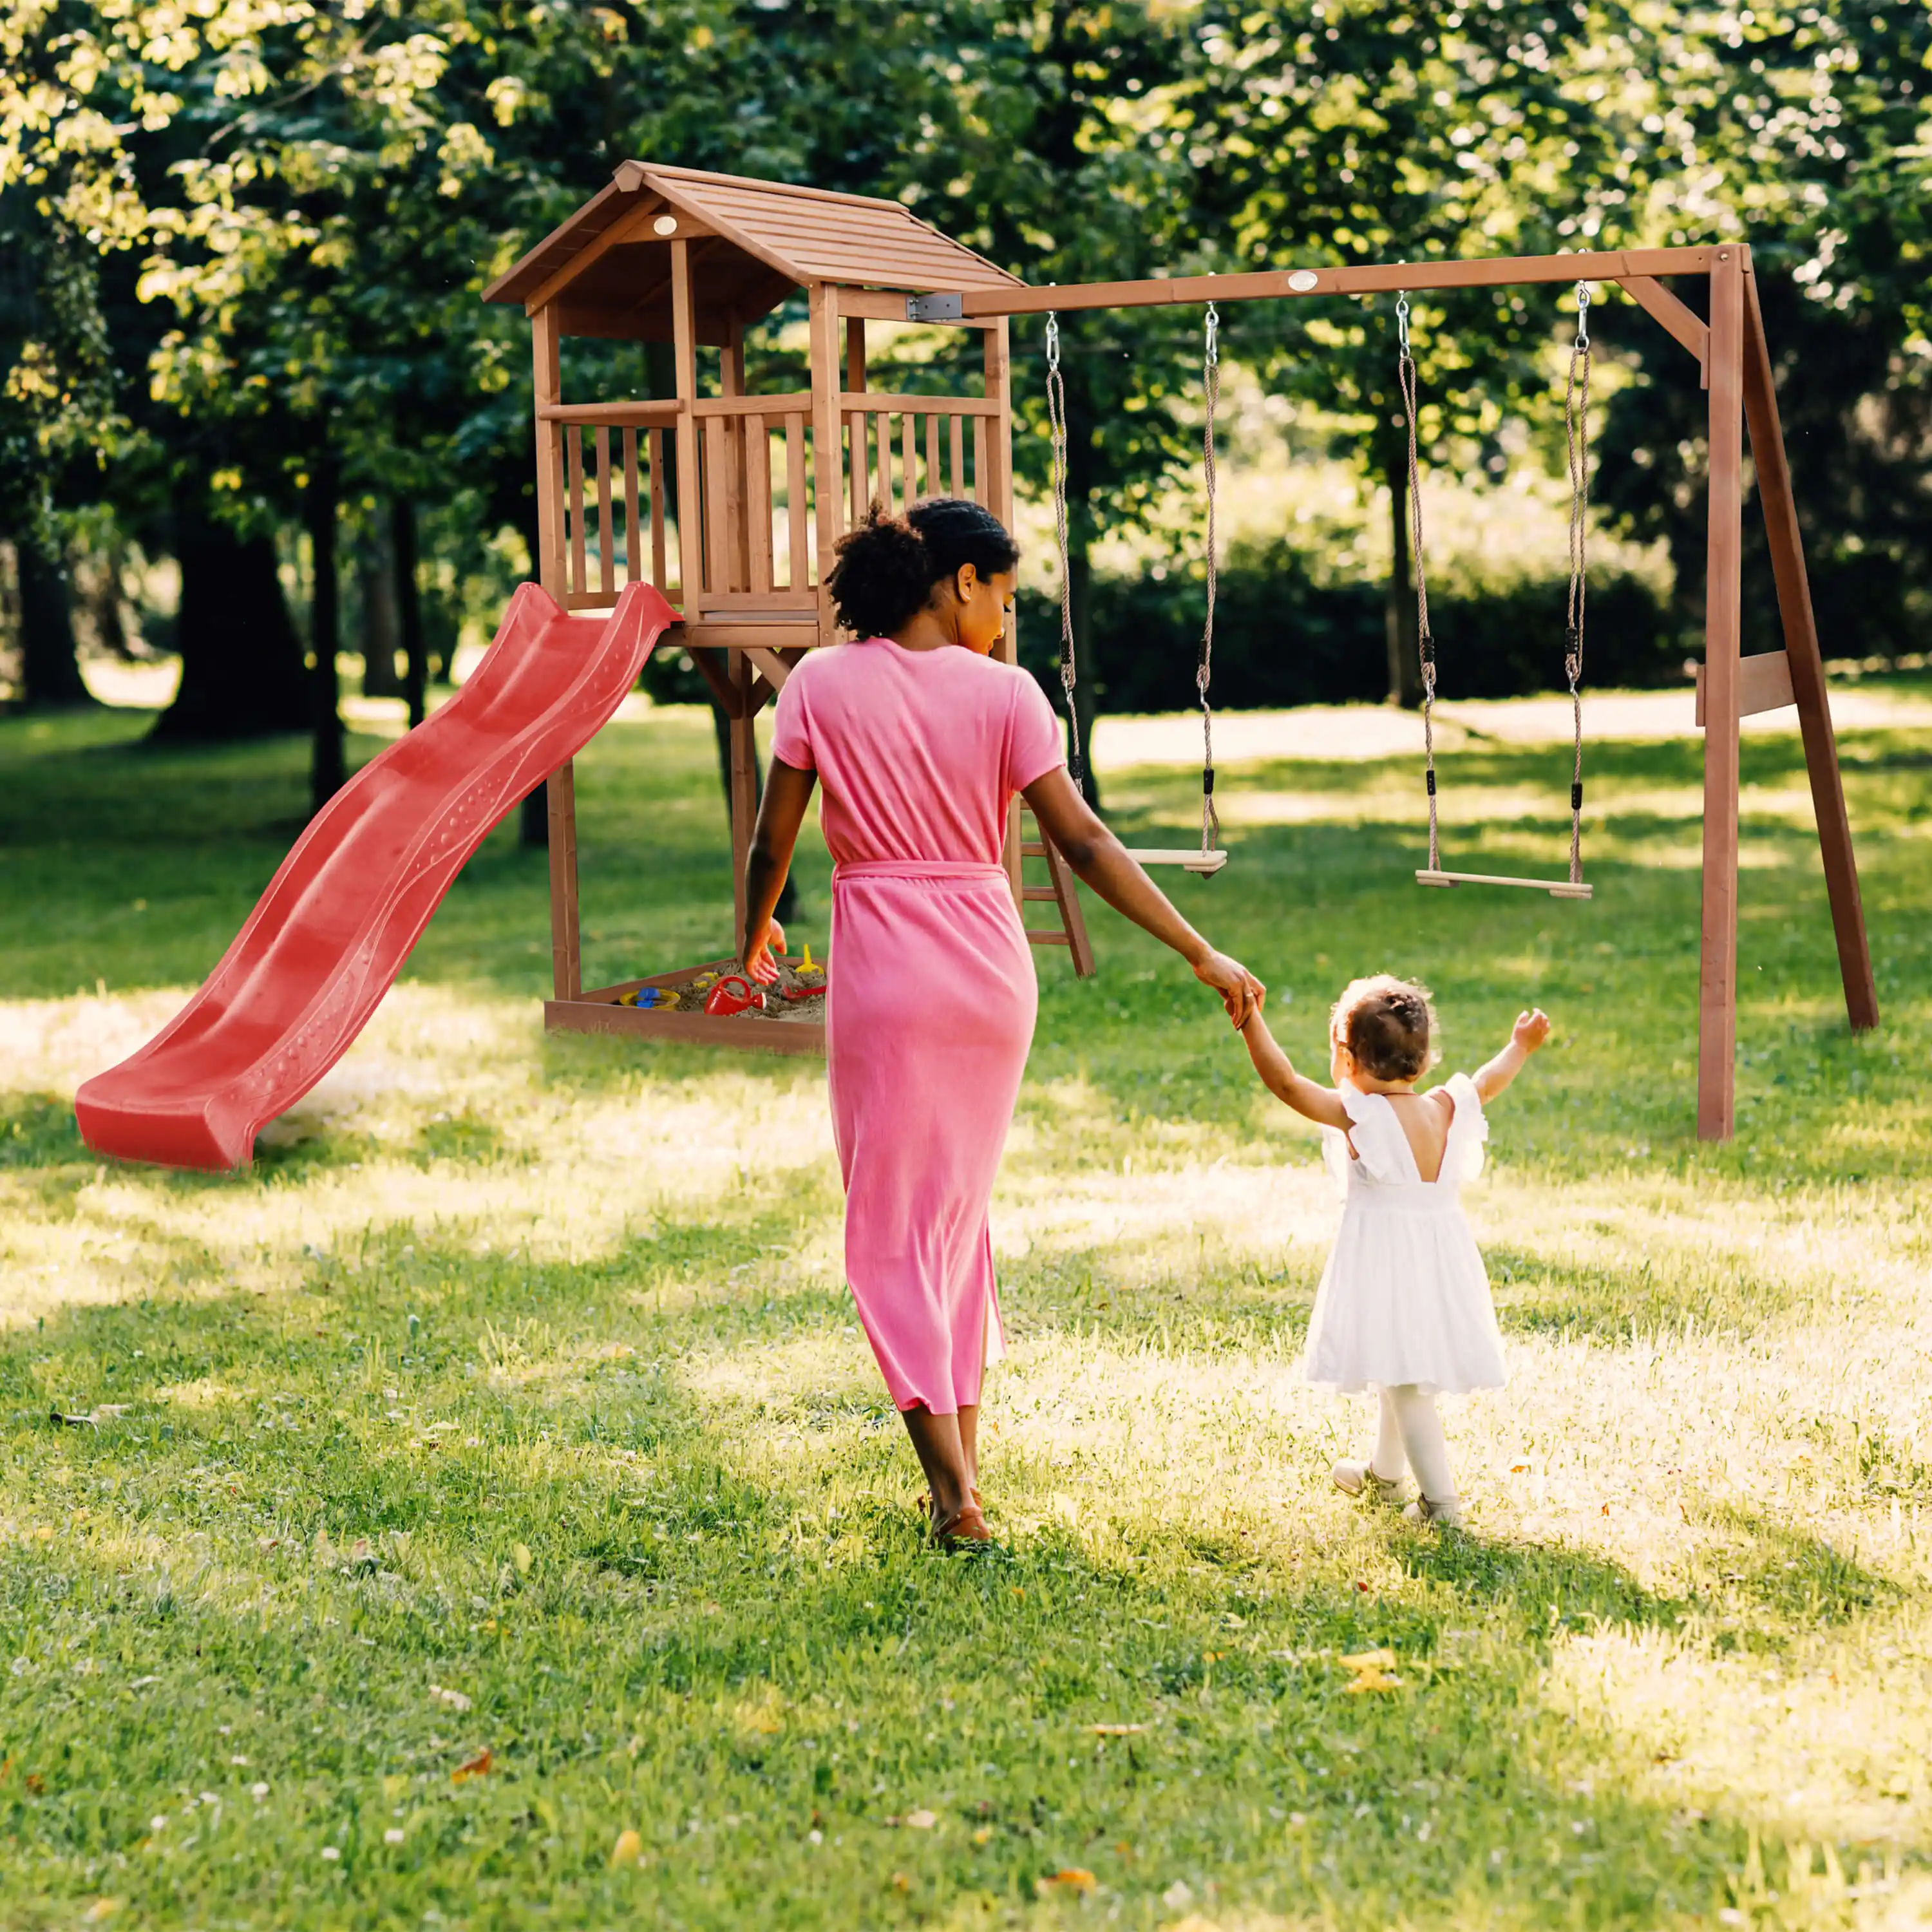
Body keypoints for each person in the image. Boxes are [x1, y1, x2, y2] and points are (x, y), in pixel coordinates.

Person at [741, 498, 1264, 1546]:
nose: (1008, 622)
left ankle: (953, 1495)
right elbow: (1084, 844)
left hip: (887, 969)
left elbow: (772, 843)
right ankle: (963, 1478)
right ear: (961, 582)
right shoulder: (1009, 697)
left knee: (889, 1230)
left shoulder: (818, 685)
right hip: (989, 968)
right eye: (1006, 597)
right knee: (952, 1224)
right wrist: (1197, 948)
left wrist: (750, 937)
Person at [1235, 976, 1551, 1528]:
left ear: (1348, 1057)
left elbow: (1285, 1084)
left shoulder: (1361, 1116)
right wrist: (1519, 1046)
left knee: (1405, 1384)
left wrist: (1250, 1020)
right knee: (1395, 1363)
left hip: (1388, 1263)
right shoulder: (1445, 1106)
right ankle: (1384, 1476)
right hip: (1438, 1259)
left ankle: (1440, 1505)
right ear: (1423, 1061)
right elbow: (1488, 1080)